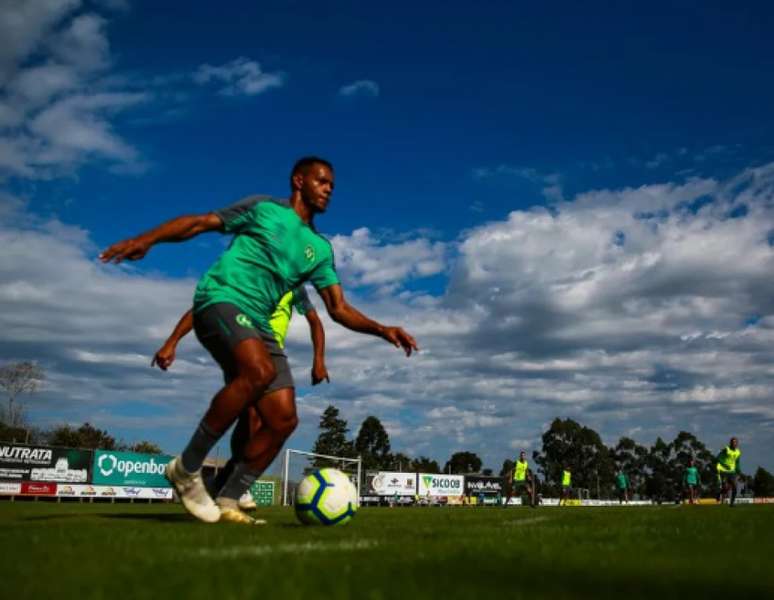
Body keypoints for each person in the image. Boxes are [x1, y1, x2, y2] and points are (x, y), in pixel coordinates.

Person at [100, 157, 418, 523]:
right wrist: (147, 240)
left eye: (332, 184)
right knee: (258, 371)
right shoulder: (263, 209)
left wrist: (382, 329)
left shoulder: (320, 249)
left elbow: (338, 308)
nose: (329, 188)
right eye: (322, 181)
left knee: (283, 419)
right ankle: (186, 469)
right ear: (299, 181)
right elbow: (202, 223)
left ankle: (230, 498)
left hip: (260, 325)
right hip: (222, 297)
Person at [152, 285, 326, 523]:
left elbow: (315, 321)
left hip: (274, 355)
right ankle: (226, 487)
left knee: (268, 424)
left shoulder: (296, 288)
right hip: (245, 349)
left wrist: (318, 360)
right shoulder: (251, 276)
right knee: (254, 418)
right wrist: (171, 342)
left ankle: (223, 484)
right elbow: (203, 307)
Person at [716, 437, 742, 507]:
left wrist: (739, 471)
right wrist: (724, 465)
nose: (734, 443)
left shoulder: (738, 452)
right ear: (730, 443)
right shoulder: (726, 449)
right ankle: (719, 493)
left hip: (732, 472)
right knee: (725, 488)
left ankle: (732, 503)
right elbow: (718, 458)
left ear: (737, 444)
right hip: (724, 471)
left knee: (735, 487)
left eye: (735, 442)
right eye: (732, 442)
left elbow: (737, 462)